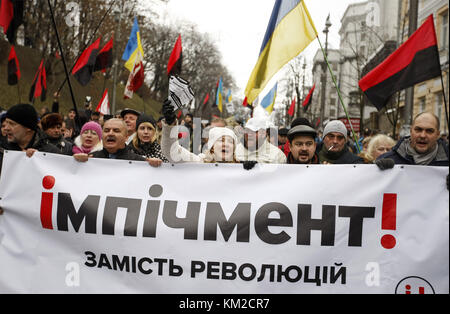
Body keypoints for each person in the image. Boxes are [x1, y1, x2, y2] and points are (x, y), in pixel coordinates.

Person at [1, 103, 60, 174]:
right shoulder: (2, 150)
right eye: (6, 123)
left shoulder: (51, 153)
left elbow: (60, 180)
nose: (6, 128)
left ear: (28, 128)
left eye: (12, 124)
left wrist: (39, 159)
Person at [376, 112, 448, 167]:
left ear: (438, 135)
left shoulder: (447, 160)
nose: (423, 135)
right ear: (411, 131)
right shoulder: (388, 159)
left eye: (429, 131)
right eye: (418, 130)